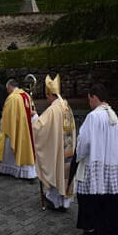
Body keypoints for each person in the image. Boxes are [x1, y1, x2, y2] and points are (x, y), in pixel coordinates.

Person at [75, 84, 118, 235]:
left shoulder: (94, 116)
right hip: (109, 165)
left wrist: (78, 155)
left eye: (89, 99)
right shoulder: (112, 114)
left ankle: (99, 232)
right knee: (106, 200)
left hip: (94, 166)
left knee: (92, 200)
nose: (88, 102)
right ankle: (105, 231)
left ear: (94, 97)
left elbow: (84, 141)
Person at [33, 74, 76, 211]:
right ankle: (65, 202)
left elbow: (39, 127)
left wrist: (33, 116)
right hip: (68, 149)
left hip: (59, 151)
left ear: (50, 94)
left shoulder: (53, 109)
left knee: (57, 172)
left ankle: (56, 202)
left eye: (47, 96)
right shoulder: (66, 106)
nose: (47, 99)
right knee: (65, 174)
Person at [0, 79, 36, 180]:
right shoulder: (26, 95)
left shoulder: (12, 98)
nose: (7, 91)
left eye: (7, 89)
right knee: (25, 148)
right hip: (26, 128)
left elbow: (7, 116)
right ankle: (26, 172)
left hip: (13, 130)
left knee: (9, 148)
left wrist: (3, 125)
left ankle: (6, 170)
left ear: (10, 87)